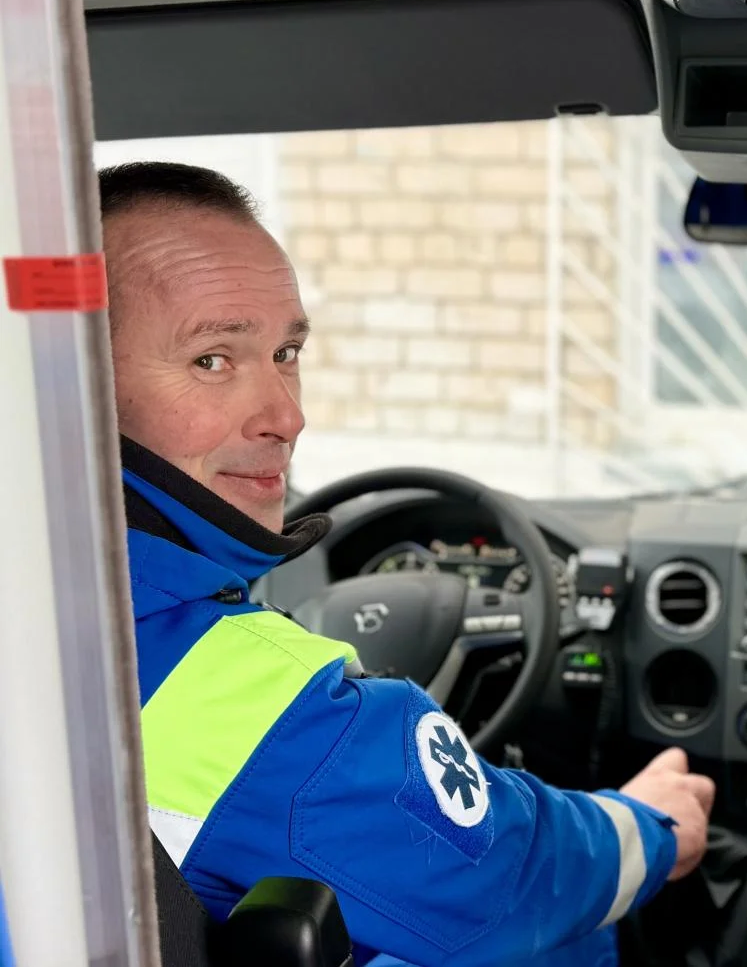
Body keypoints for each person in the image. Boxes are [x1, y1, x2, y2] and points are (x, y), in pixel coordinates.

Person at [104, 161, 715, 967]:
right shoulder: (247, 700)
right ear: (67, 387)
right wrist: (652, 825)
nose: (288, 415)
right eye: (213, 359)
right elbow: (500, 872)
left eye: (286, 352)